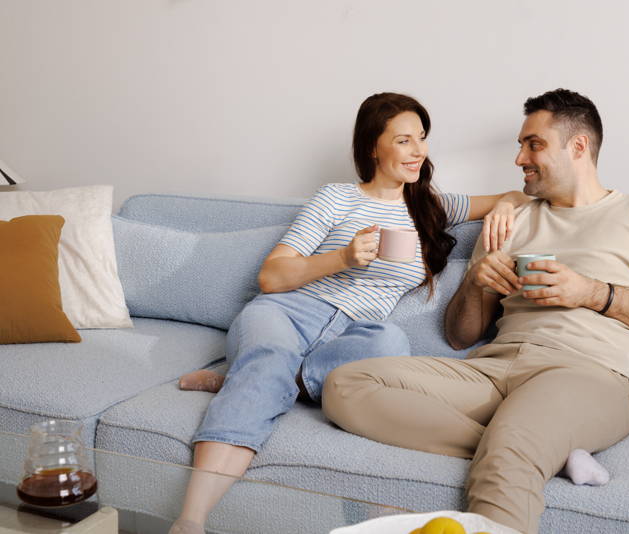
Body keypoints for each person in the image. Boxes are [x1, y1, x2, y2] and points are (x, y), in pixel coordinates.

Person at [322, 88, 629, 534]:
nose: (520, 157)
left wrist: (590, 293)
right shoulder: (510, 220)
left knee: (513, 447)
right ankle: (540, 448)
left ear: (578, 147)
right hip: (495, 370)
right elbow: (462, 337)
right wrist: (475, 279)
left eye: (534, 144)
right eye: (521, 145)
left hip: (590, 373)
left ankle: (522, 446)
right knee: (345, 384)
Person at [168, 92, 532, 534]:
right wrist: (342, 258)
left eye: (421, 138)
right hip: (288, 311)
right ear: (371, 148)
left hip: (356, 331)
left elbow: (513, 194)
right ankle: (191, 520)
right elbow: (271, 276)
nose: (418, 151)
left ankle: (255, 376)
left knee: (391, 343)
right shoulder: (336, 198)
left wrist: (509, 206)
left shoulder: (430, 207)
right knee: (269, 358)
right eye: (403, 140)